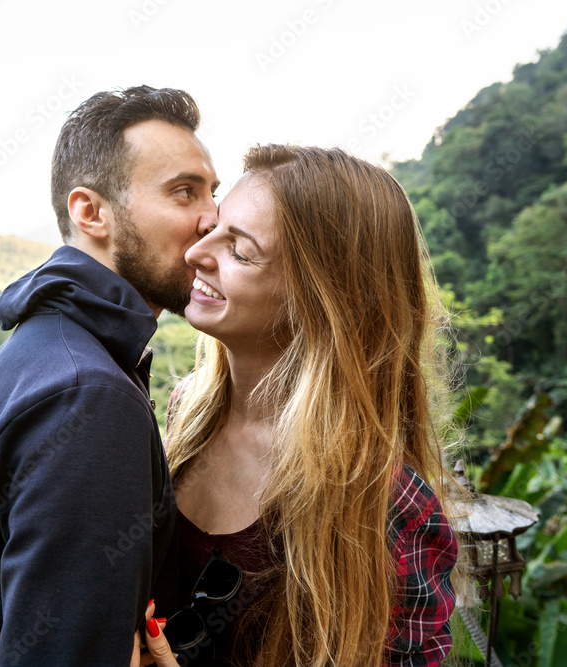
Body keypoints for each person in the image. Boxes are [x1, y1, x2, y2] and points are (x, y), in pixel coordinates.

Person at [140, 145, 460, 667]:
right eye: (213, 229)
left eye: (241, 251)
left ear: (325, 297)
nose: (197, 254)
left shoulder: (387, 503)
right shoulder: (185, 409)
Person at [0, 85, 219, 666]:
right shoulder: (85, 397)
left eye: (212, 194)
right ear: (91, 212)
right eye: (184, 192)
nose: (212, 219)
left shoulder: (48, 354)